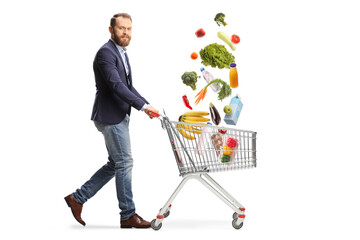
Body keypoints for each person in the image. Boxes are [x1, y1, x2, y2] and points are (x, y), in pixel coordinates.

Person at [65, 13, 159, 229]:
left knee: (115, 164)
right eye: (121, 28)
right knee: (125, 163)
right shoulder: (105, 54)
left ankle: (77, 198)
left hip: (119, 115)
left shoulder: (122, 53)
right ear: (111, 30)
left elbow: (127, 86)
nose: (125, 32)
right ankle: (128, 215)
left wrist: (147, 105)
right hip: (111, 116)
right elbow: (116, 86)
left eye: (129, 29)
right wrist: (142, 106)